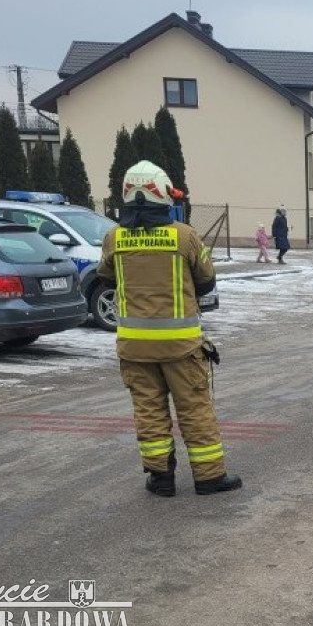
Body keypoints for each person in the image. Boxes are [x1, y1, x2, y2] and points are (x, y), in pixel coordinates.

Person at [97, 160, 242, 497]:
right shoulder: (185, 236)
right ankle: (208, 477)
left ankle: (161, 479)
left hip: (134, 347)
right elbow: (206, 283)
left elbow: (106, 277)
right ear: (163, 195)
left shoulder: (114, 238)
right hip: (181, 346)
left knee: (149, 412)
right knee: (194, 409)